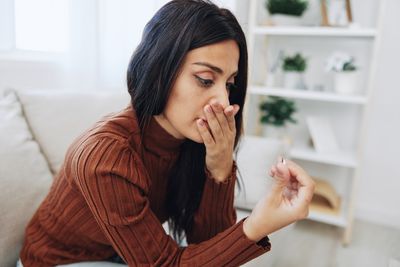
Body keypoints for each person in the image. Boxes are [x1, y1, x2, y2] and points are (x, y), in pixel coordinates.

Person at [19, 0, 315, 266]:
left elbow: (210, 244)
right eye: (204, 79)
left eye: (229, 84)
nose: (224, 102)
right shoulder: (106, 155)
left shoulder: (189, 141)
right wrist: (256, 225)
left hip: (115, 253)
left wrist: (220, 166)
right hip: (55, 261)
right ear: (159, 70)